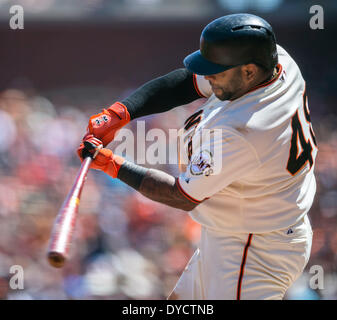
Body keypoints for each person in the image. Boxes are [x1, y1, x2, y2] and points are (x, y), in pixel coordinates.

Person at [77, 13, 317, 300]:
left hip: (255, 250)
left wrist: (112, 164)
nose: (208, 76)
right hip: (241, 229)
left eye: (217, 70)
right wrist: (121, 112)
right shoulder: (275, 60)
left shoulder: (245, 129)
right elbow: (188, 83)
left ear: (249, 71)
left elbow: (181, 195)